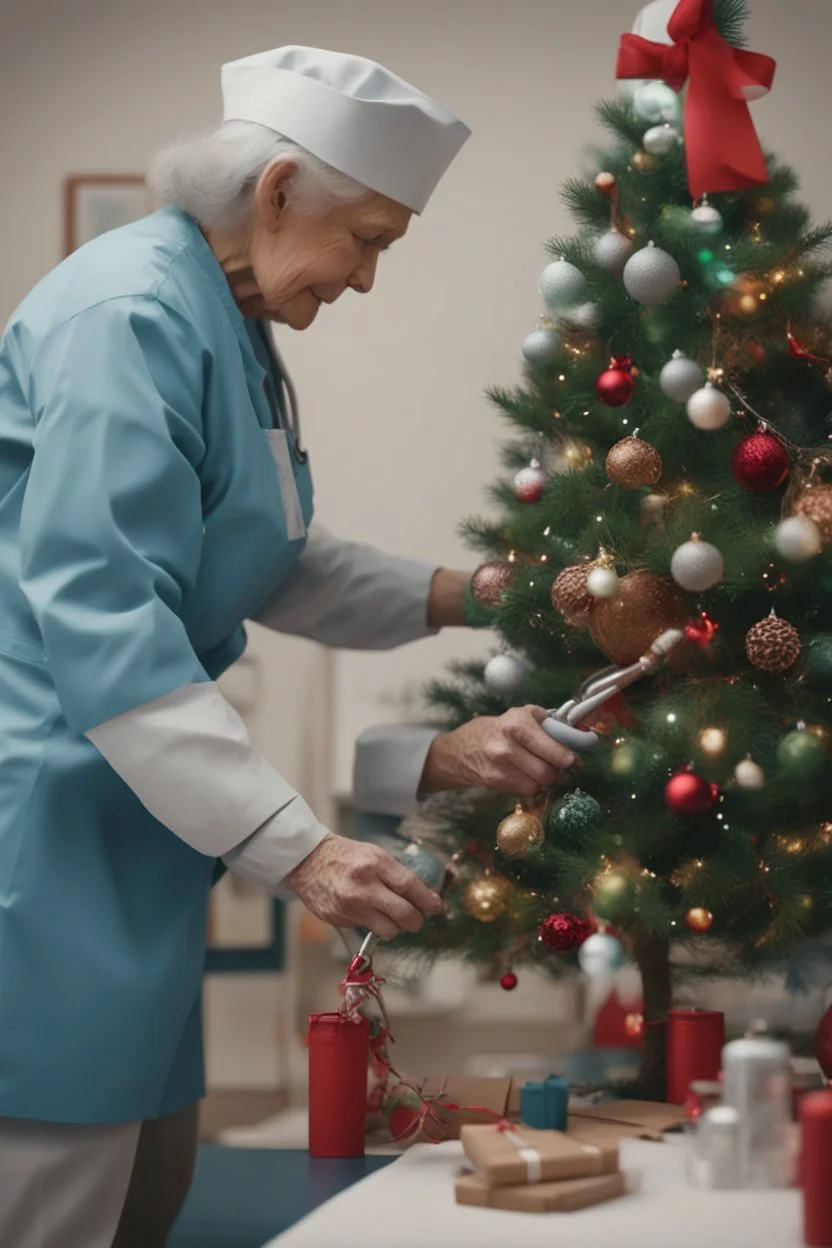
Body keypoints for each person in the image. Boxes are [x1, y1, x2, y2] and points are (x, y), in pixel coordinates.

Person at [0, 45, 577, 1247]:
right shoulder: (128, 318)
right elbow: (108, 617)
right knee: (57, 1188)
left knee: (143, 1185)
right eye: (366, 239)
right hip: (46, 823)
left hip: (132, 832)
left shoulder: (229, 317)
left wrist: (479, 590)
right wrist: (303, 855)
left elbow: (266, 557)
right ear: (274, 192)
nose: (366, 279)